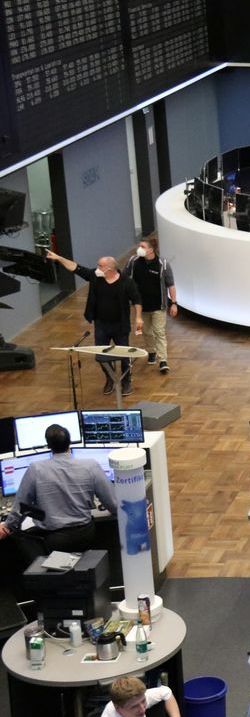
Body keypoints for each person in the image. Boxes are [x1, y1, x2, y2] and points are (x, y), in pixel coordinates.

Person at [0, 424, 118, 568]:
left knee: (21, 539)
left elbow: (21, 506)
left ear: (49, 445)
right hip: (85, 534)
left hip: (54, 539)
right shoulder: (91, 466)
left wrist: (7, 526)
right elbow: (113, 503)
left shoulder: (36, 469)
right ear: (70, 442)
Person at [46, 248, 143, 396]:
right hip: (101, 324)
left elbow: (137, 299)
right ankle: (110, 378)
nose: (97, 268)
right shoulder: (95, 277)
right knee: (100, 355)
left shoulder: (126, 282)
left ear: (110, 269)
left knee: (124, 355)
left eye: (100, 266)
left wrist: (138, 317)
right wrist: (59, 258)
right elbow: (75, 268)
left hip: (120, 325)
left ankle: (126, 382)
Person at [124, 233, 177, 375]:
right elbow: (124, 279)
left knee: (159, 331)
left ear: (151, 250)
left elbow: (170, 284)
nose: (139, 249)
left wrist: (174, 303)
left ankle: (163, 361)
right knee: (146, 331)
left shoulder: (163, 264)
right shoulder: (133, 261)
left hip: (158, 306)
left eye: (142, 246)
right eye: (139, 246)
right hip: (140, 306)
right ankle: (151, 351)